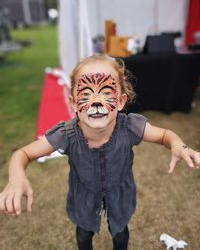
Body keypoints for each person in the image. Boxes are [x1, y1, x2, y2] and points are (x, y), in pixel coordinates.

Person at [0, 54, 199, 250]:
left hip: (120, 194)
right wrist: (17, 178)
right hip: (83, 196)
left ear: (121, 101)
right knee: (83, 234)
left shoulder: (130, 127)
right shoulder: (66, 134)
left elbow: (165, 135)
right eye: (86, 93)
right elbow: (22, 154)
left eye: (106, 92)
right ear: (74, 103)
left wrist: (179, 145)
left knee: (120, 234)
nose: (96, 101)